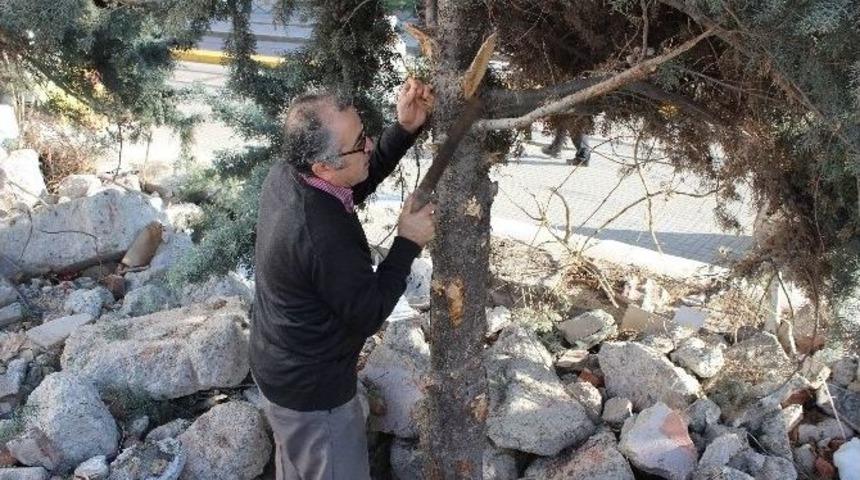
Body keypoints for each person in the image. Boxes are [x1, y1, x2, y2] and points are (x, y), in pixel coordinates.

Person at [250, 78, 435, 480]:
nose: (368, 145)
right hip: (314, 397)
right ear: (323, 166)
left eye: (365, 133)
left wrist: (404, 129)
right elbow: (368, 312)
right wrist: (408, 242)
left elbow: (356, 178)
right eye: (359, 143)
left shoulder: (291, 174)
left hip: (279, 367)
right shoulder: (322, 235)